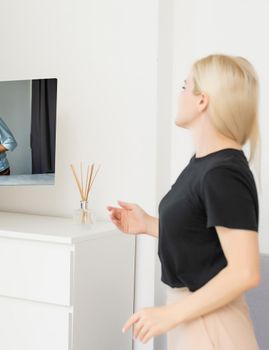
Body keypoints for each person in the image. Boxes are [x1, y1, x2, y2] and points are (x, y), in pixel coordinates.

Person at [107, 54, 261, 349]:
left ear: (202, 100)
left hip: (212, 324)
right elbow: (201, 238)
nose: (179, 95)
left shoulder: (222, 172)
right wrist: (148, 224)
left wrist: (170, 315)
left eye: (184, 86)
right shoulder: (203, 163)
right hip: (196, 318)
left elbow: (245, 271)